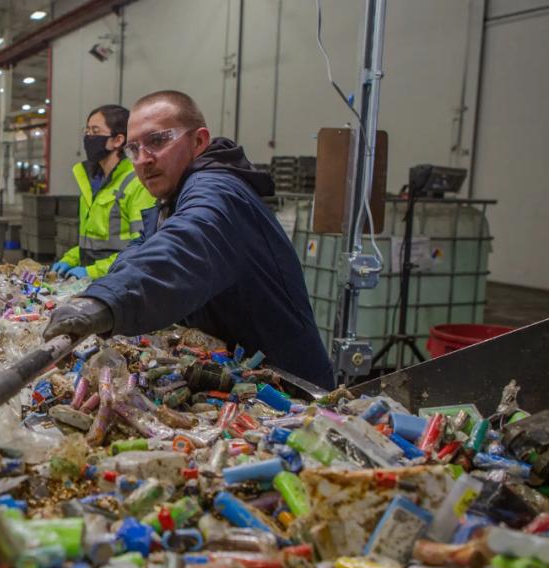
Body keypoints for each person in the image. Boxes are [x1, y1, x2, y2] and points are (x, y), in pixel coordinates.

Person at [43, 91, 334, 388]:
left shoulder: (217, 191)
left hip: (291, 387)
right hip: (241, 376)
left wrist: (105, 301)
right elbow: (141, 248)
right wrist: (100, 292)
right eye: (134, 149)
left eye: (158, 141)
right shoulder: (170, 201)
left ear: (198, 141)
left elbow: (181, 250)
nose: (143, 159)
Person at [51, 104, 155, 280]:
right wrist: (71, 259)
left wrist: (93, 272)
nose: (88, 137)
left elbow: (142, 248)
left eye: (95, 131)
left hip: (121, 282)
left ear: (118, 140)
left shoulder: (137, 183)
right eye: (87, 131)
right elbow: (92, 243)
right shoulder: (92, 183)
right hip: (91, 282)